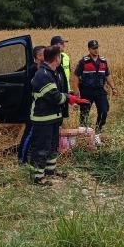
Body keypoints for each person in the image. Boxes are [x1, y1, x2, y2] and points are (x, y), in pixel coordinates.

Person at [28, 45, 83, 185]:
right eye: (60, 56)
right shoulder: (43, 75)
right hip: (43, 118)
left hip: (52, 117)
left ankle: (50, 171)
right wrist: (70, 98)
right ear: (56, 58)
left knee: (52, 145)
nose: (61, 58)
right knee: (42, 147)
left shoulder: (52, 72)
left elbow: (59, 92)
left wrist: (69, 96)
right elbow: (55, 97)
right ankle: (38, 177)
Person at [75, 40, 117, 134]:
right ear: (89, 49)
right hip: (86, 91)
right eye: (93, 48)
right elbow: (76, 76)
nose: (96, 50)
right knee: (84, 113)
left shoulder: (103, 61)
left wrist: (113, 88)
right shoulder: (83, 62)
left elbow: (107, 75)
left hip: (100, 90)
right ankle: (84, 133)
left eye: (97, 48)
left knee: (104, 110)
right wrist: (76, 90)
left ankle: (98, 131)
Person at [18, 46, 45, 164]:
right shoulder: (33, 70)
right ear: (38, 56)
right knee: (29, 132)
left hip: (36, 107)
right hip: (31, 107)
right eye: (45, 54)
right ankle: (21, 159)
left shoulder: (39, 69)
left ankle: (28, 158)